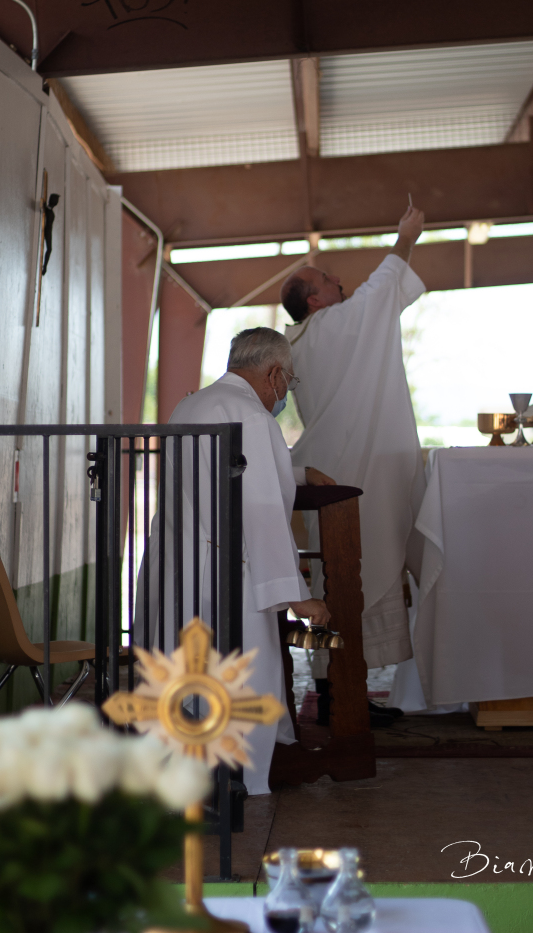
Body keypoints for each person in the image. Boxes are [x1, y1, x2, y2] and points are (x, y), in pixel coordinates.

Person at [135, 327, 333, 794]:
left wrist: (298, 473)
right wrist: (297, 595)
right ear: (275, 374)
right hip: (228, 573)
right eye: (289, 382)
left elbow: (223, 471)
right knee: (242, 677)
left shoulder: (192, 405)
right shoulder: (253, 416)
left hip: (179, 566)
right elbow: (261, 507)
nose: (285, 392)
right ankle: (242, 782)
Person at [280, 206, 426, 724]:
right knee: (355, 578)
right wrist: (405, 237)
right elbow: (381, 288)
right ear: (314, 300)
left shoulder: (295, 344)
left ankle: (337, 693)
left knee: (333, 580)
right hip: (357, 474)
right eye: (326, 279)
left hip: (327, 471)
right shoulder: (335, 327)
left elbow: (376, 295)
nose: (338, 281)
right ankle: (339, 697)